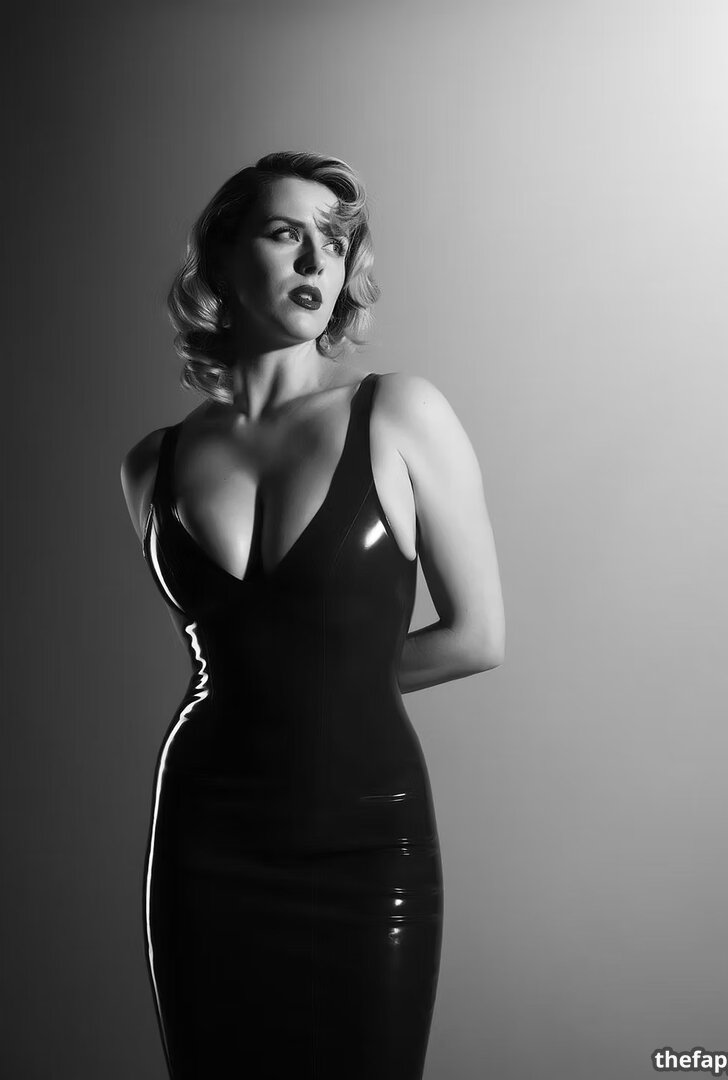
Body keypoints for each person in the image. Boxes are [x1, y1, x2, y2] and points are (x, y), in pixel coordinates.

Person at [120, 150, 505, 1079]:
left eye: (333, 245)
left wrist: (326, 685)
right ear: (222, 258)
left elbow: (478, 637)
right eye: (285, 234)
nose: (314, 262)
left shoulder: (399, 413)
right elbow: (233, 653)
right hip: (205, 840)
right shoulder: (150, 466)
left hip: (365, 843)